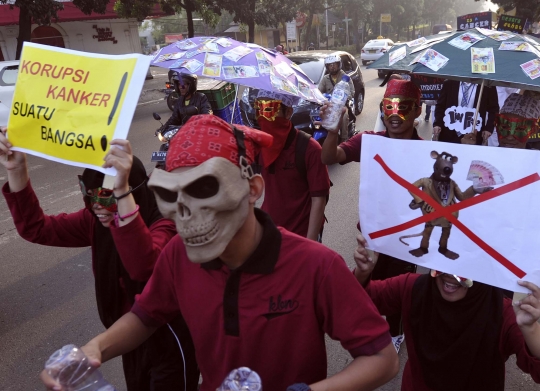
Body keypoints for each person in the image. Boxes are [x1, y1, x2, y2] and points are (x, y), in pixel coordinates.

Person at [41, 114, 399, 391]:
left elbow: (382, 358)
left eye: (205, 189)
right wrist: (95, 348)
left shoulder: (315, 266)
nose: (187, 213)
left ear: (253, 189)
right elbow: (146, 315)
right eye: (172, 195)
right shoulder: (178, 255)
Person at [0, 131, 198, 391]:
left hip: (170, 340)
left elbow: (143, 267)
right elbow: (36, 228)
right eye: (90, 195)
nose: (98, 206)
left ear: (133, 192)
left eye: (108, 196)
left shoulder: (167, 223)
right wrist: (17, 170)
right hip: (126, 341)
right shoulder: (96, 218)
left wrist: (121, 202)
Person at [353, 233, 540, 391]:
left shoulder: (502, 313)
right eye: (443, 260)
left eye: (464, 269)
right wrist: (362, 274)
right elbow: (358, 302)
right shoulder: (412, 288)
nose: (450, 275)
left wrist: (530, 328)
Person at [320, 78, 423, 350]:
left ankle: (396, 334)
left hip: (407, 239)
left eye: (404, 107)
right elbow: (330, 158)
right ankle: (368, 331)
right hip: (372, 236)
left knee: (399, 291)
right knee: (365, 285)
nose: (394, 115)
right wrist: (332, 130)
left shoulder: (427, 152)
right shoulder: (368, 141)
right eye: (388, 106)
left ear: (418, 111)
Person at [254, 90, 330, 240]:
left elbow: (319, 199)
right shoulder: (259, 145)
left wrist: (310, 242)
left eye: (269, 109)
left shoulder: (310, 149)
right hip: (270, 233)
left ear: (288, 112)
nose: (263, 117)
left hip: (301, 235)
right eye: (258, 109)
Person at [433, 80, 499, 145]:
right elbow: (440, 105)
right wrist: (438, 123)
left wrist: (488, 128)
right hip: (449, 131)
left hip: (473, 133)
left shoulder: (486, 86)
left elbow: (494, 109)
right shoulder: (449, 83)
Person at [318, 54, 356, 142]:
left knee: (344, 116)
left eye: (334, 64)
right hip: (329, 105)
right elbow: (319, 91)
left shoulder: (345, 77)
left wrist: (344, 98)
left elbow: (352, 91)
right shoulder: (325, 78)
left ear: (339, 64)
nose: (332, 67)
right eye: (330, 65)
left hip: (342, 105)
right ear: (327, 67)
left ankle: (344, 140)